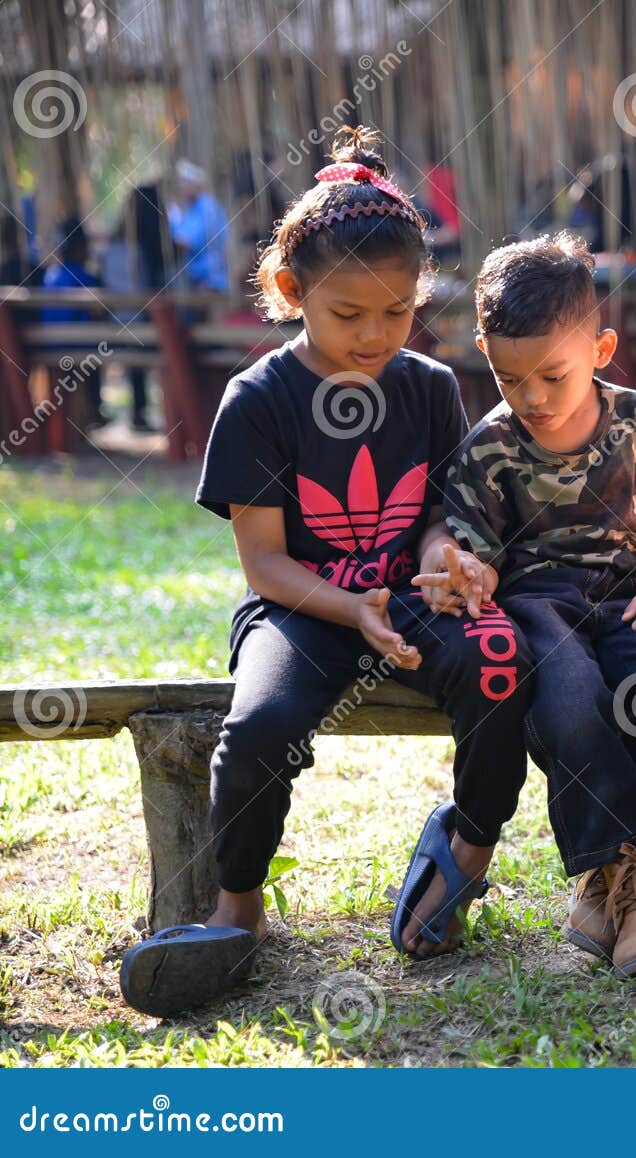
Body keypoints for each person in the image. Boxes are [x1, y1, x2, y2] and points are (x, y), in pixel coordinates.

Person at [117, 127, 536, 1019]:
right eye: (349, 315)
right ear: (289, 290)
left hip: (407, 601)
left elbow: (435, 514)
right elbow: (266, 563)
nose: (375, 335)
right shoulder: (259, 400)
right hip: (302, 608)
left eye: (396, 313)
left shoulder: (426, 385)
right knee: (261, 724)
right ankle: (238, 910)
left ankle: (464, 852)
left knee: (504, 663)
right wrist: (354, 610)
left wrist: (438, 560)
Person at [446, 231, 636, 977]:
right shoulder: (489, 449)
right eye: (509, 378)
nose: (531, 397)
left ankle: (613, 876)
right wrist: (467, 574)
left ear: (600, 349)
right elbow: (475, 554)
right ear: (484, 353)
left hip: (629, 600)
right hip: (538, 607)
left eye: (552, 376)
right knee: (567, 698)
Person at [101, 184, 167, 431]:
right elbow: (150, 290)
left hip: (115, 322)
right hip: (142, 322)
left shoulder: (112, 246)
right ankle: (166, 412)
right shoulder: (147, 249)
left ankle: (139, 411)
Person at [39, 216, 107, 427]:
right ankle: (94, 408)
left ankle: (82, 417)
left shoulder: (50, 275)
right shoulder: (84, 277)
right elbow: (99, 312)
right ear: (79, 247)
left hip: (49, 344)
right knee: (98, 351)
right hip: (74, 346)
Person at [168, 159, 231, 292]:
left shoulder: (208, 207)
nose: (182, 186)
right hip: (193, 279)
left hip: (210, 279)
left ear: (196, 183)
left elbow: (191, 241)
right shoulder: (190, 209)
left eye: (186, 181)